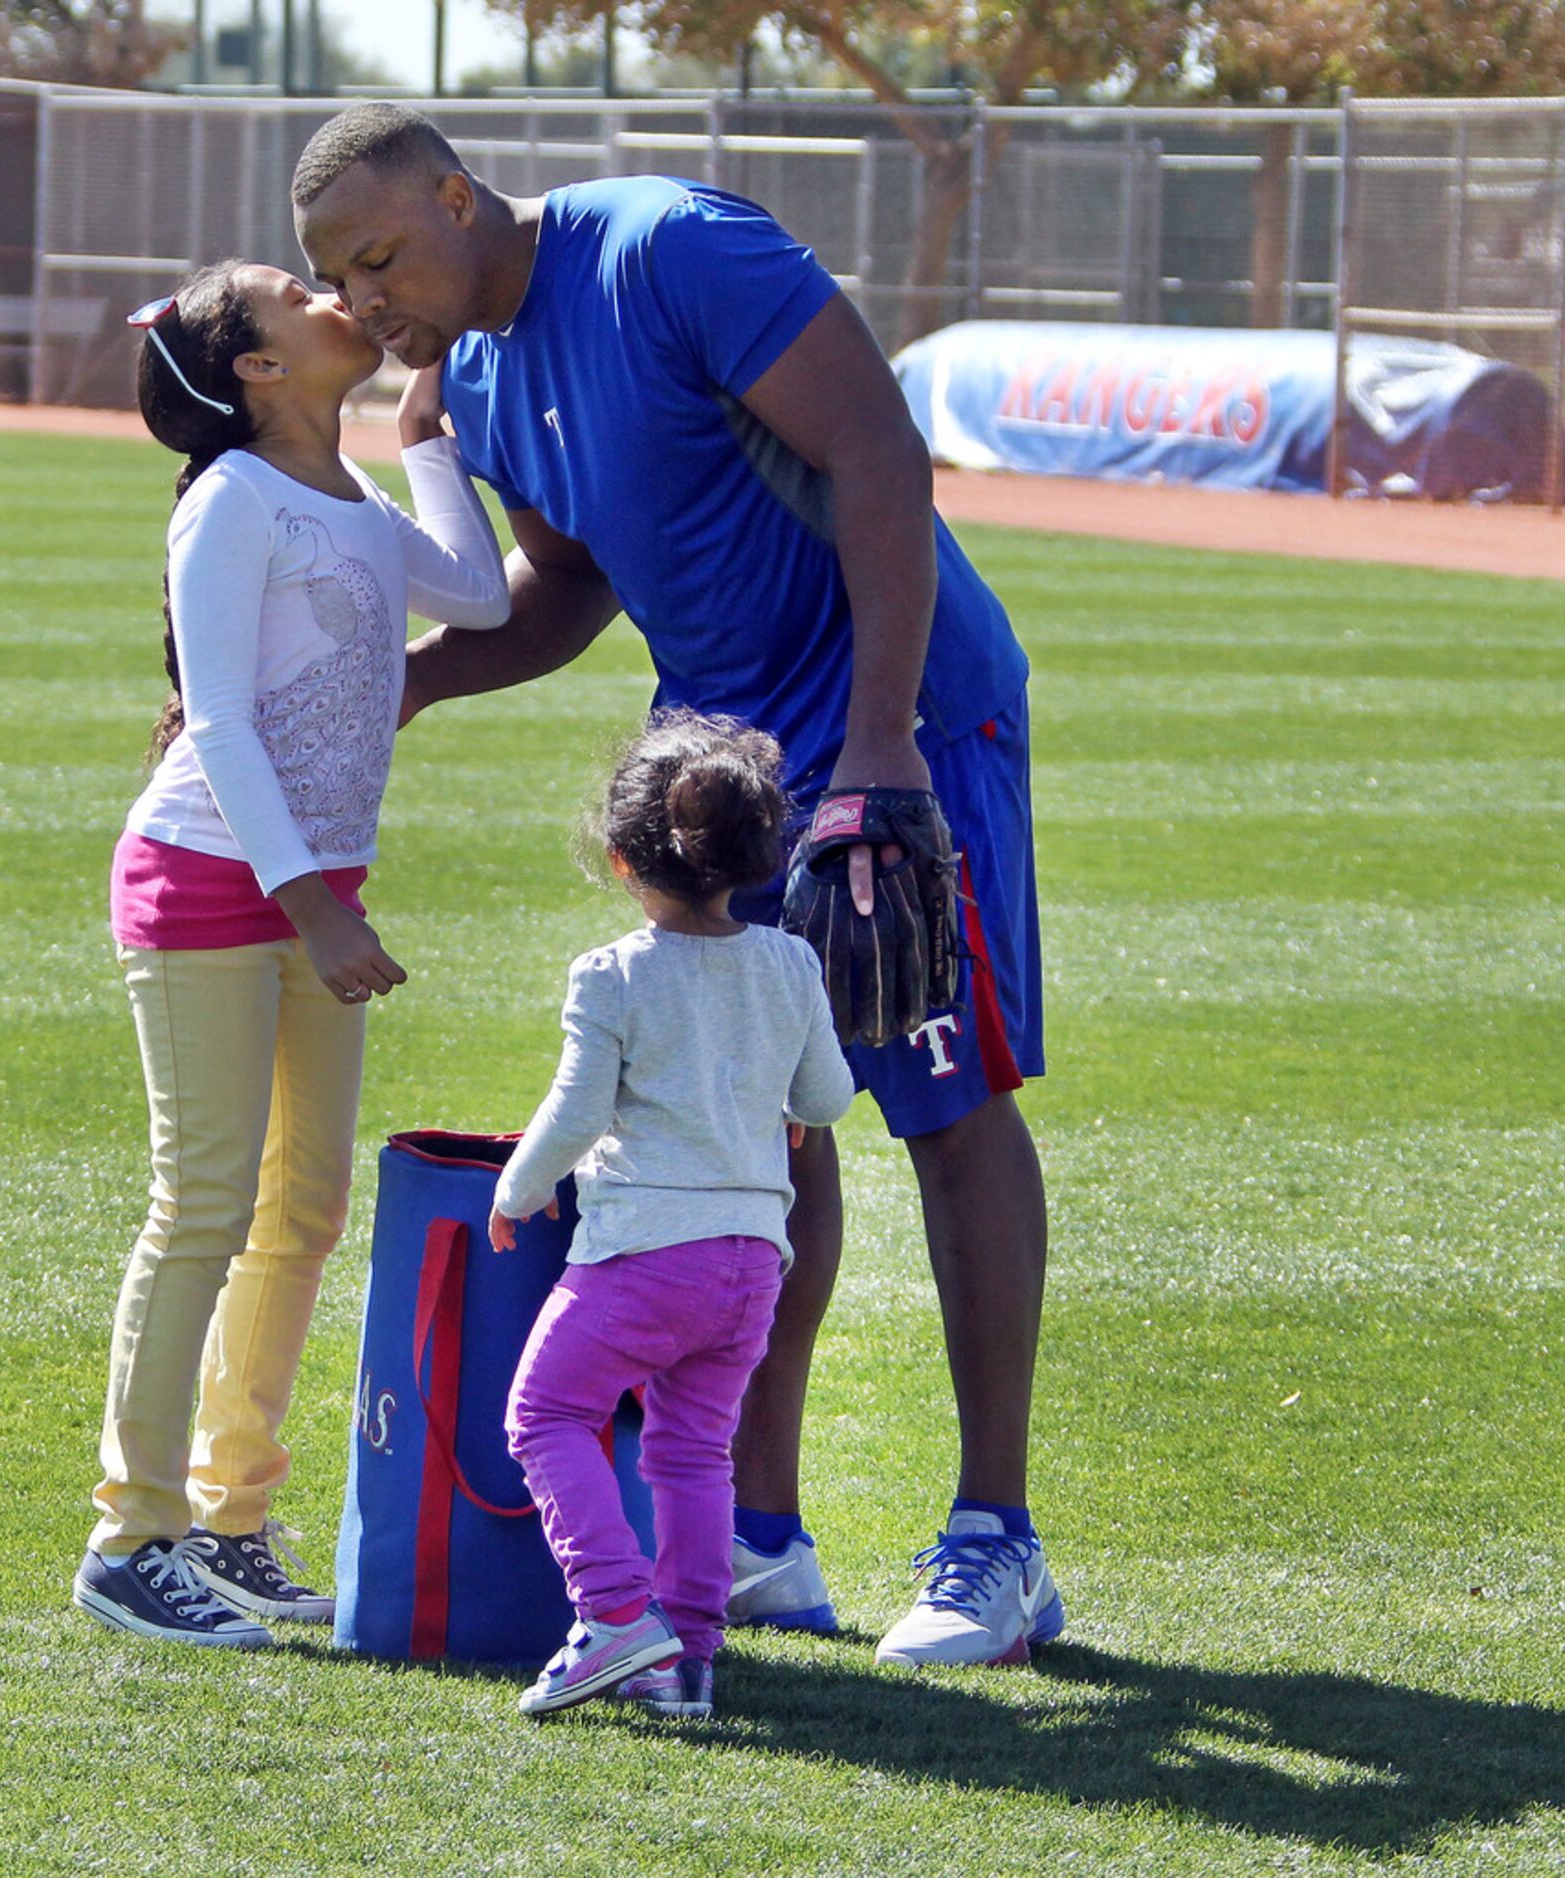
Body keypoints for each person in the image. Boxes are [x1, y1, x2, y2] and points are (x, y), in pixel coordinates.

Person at [293, 103, 1063, 1668]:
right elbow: (569, 590)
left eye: (382, 255)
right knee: (754, 1121)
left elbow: (878, 454)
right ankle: (764, 1532)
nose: (370, 305)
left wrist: (879, 742)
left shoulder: (668, 248)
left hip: (898, 721)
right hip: (728, 757)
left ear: (457, 195)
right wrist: (417, 681)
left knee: (945, 1098)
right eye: (341, 282)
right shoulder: (486, 384)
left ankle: (999, 1538)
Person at [72, 260, 510, 1647]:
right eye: (289, 289)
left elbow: (483, 595)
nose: (331, 290)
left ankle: (230, 1517)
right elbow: (219, 722)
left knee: (301, 1209)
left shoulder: (355, 502)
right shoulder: (232, 501)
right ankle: (128, 1537)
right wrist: (315, 902)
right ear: (257, 368)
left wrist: (426, 439)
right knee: (201, 1203)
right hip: (209, 881)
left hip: (306, 894)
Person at [493, 709, 854, 1720]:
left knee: (547, 1413)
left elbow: (574, 1111)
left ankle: (612, 1612)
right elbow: (825, 1099)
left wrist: (515, 1190)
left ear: (621, 859)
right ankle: (686, 1660)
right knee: (693, 1450)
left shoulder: (612, 974)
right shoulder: (789, 963)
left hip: (641, 1258)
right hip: (749, 1267)